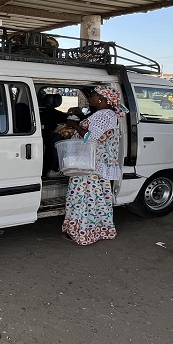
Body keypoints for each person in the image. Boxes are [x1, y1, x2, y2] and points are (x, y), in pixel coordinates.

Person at [60, 85, 128, 245]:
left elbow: (91, 137)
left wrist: (74, 125)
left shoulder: (104, 115)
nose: (90, 98)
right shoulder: (107, 114)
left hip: (90, 166)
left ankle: (83, 232)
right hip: (96, 165)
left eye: (93, 95)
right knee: (96, 199)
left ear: (102, 99)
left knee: (84, 198)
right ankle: (97, 230)